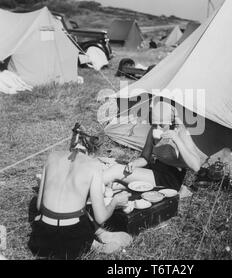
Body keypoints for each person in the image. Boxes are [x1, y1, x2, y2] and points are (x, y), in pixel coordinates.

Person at [28, 123, 132, 260]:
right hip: (71, 239)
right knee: (126, 237)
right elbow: (101, 217)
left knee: (76, 211)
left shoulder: (52, 156)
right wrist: (115, 202)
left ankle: (99, 236)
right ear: (95, 149)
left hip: (42, 238)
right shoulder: (93, 165)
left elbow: (39, 206)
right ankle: (95, 244)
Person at [104, 100, 202, 191]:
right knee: (110, 169)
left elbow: (196, 166)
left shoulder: (181, 133)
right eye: (155, 124)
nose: (157, 128)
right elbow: (145, 158)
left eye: (162, 125)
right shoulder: (153, 130)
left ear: (171, 123)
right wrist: (134, 164)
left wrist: (176, 139)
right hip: (156, 169)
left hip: (171, 178)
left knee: (115, 171)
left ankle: (92, 189)